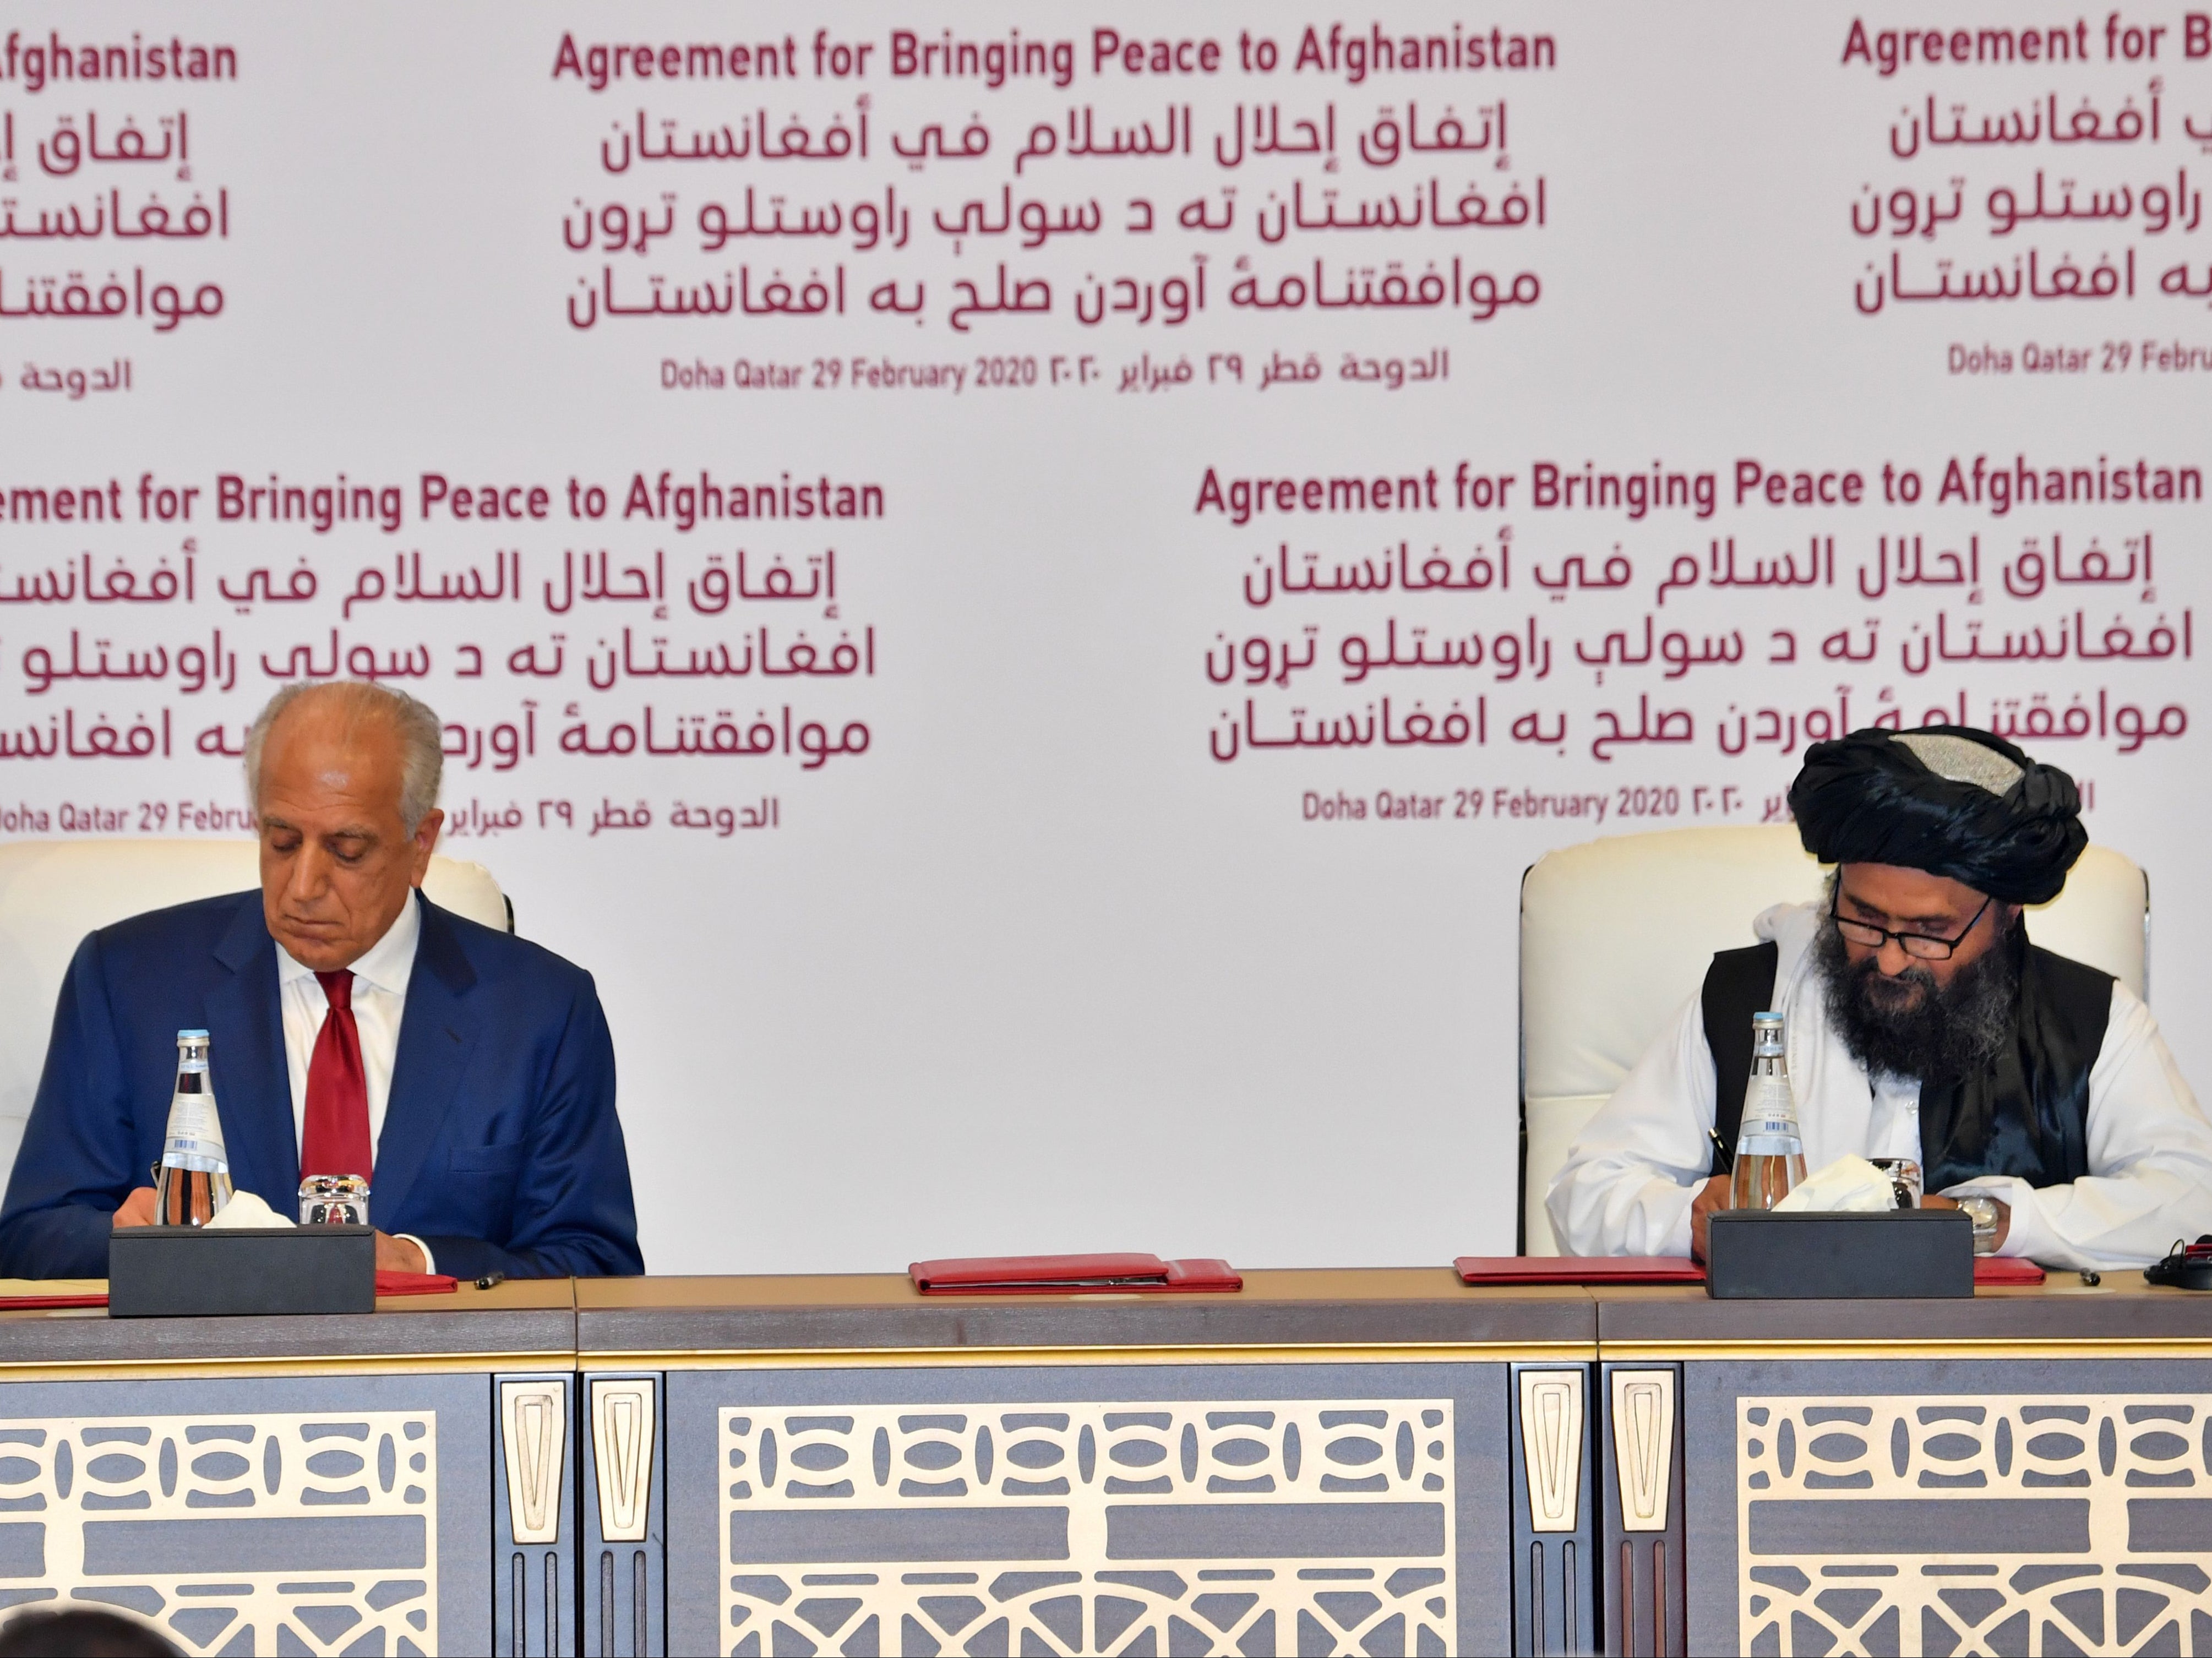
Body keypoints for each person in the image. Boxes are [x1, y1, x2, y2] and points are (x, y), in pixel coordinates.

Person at [0, 681, 642, 1280]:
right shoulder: (128, 981)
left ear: (421, 844)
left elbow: (595, 1262)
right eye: (282, 842)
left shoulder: (540, 1011)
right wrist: (125, 1241)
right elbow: (32, 1235)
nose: (303, 887)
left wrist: (422, 1266)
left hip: (441, 1385)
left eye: (347, 850)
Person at [1548, 726, 2212, 1269]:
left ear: (2006, 913)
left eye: (1930, 934)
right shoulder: (1746, 999)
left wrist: (1991, 1224)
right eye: (1863, 920)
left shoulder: (2090, 1020)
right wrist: (1687, 1220)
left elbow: (2192, 1204)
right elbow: (1583, 1197)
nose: (1890, 958)